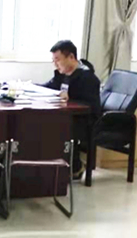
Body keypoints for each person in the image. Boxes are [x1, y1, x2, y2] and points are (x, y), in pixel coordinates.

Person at [43, 40, 102, 178]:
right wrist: (26, 87)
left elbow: (89, 105)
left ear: (71, 57)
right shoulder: (63, 74)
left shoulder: (88, 78)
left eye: (58, 60)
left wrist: (70, 98)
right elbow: (48, 87)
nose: (55, 64)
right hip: (68, 115)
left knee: (53, 126)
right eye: (53, 60)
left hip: (85, 120)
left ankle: (74, 167)